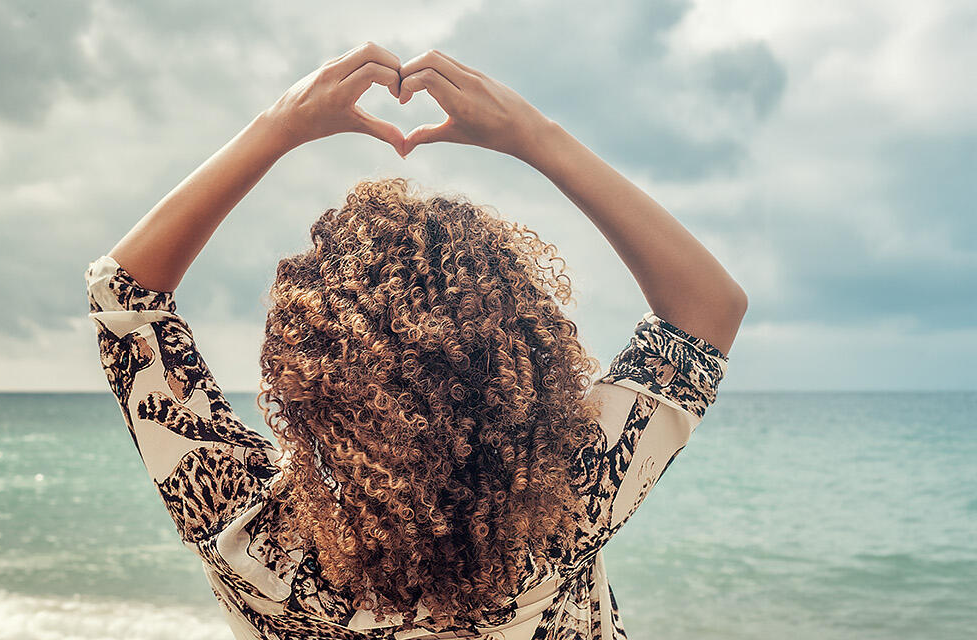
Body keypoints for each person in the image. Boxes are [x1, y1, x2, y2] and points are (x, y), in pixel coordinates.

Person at [84, 42, 747, 640]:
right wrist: (535, 137)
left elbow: (123, 297)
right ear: (521, 367)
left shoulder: (249, 537)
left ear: (305, 380)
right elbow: (706, 309)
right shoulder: (565, 516)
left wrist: (280, 126)